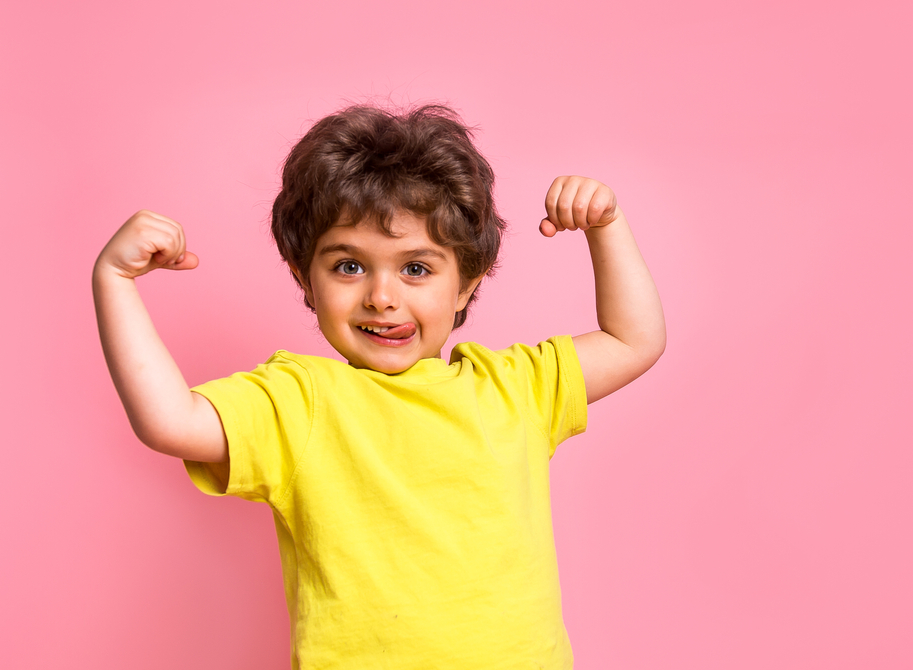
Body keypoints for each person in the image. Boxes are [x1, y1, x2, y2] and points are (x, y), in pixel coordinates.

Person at [93, 104, 665, 669]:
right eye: (349, 266)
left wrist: (605, 227)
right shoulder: (299, 401)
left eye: (416, 268)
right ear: (304, 278)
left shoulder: (515, 387)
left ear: (466, 283)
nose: (382, 297)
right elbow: (169, 420)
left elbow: (633, 339)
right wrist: (115, 281)